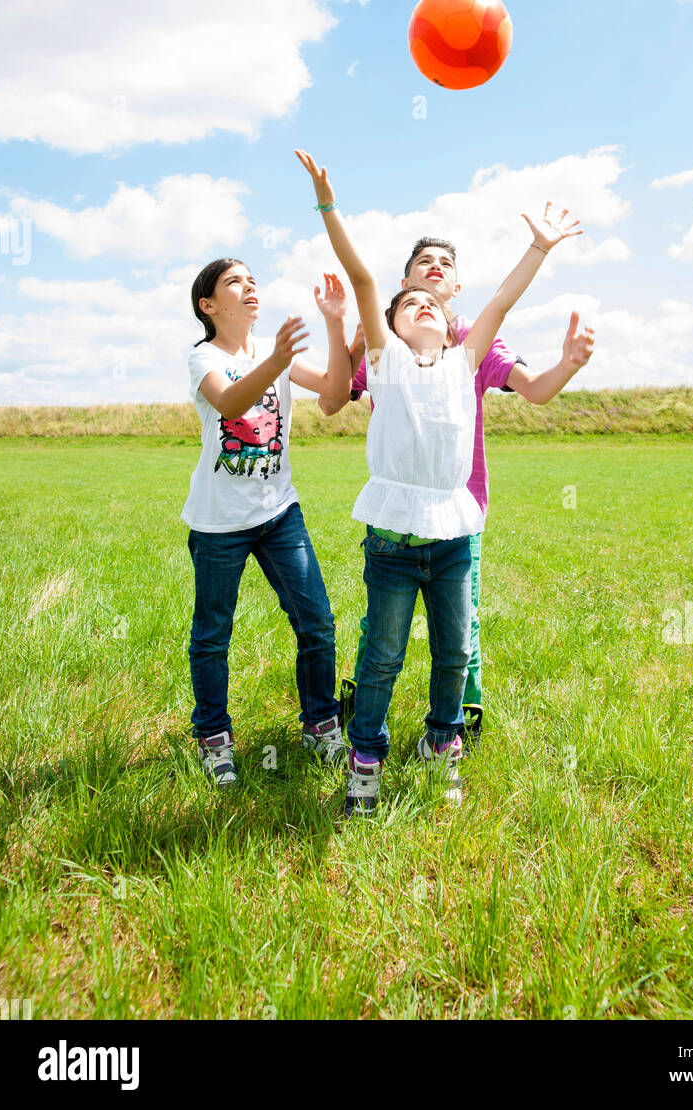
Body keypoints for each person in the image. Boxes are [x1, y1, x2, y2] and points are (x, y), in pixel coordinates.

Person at [295, 149, 583, 817]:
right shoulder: (385, 363)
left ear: (450, 317)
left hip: (454, 537)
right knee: (383, 656)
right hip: (392, 541)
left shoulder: (467, 359)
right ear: (390, 326)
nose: (423, 304)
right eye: (410, 301)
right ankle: (366, 759)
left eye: (434, 299)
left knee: (455, 651)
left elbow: (506, 298)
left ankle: (440, 743)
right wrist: (327, 205)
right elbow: (364, 277)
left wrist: (537, 249)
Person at [321, 237, 595, 743]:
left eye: (446, 265)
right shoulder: (388, 349)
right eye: (424, 263)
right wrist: (346, 337)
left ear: (454, 290)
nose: (435, 270)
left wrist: (538, 251)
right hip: (397, 517)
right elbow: (333, 394)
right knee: (382, 631)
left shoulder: (469, 344)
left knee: (459, 631)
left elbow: (530, 377)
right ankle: (366, 715)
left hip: (458, 511)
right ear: (404, 286)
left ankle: (454, 723)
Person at [182, 257, 354, 785]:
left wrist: (340, 326)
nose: (249, 286)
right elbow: (233, 402)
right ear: (209, 305)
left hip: (279, 514)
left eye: (252, 279)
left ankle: (321, 724)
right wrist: (279, 360)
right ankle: (214, 737)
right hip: (218, 525)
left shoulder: (272, 354)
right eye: (235, 281)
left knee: (317, 621)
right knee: (214, 634)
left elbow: (333, 396)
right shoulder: (204, 357)